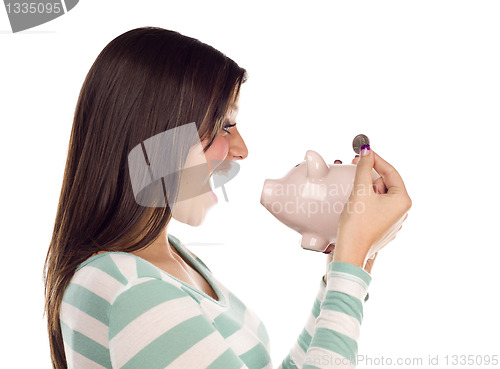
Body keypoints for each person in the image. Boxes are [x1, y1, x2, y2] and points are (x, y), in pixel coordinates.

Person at [43, 27, 412, 369]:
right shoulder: (131, 289)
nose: (241, 150)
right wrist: (350, 262)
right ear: (155, 134)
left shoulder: (169, 262)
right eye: (223, 125)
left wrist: (350, 264)